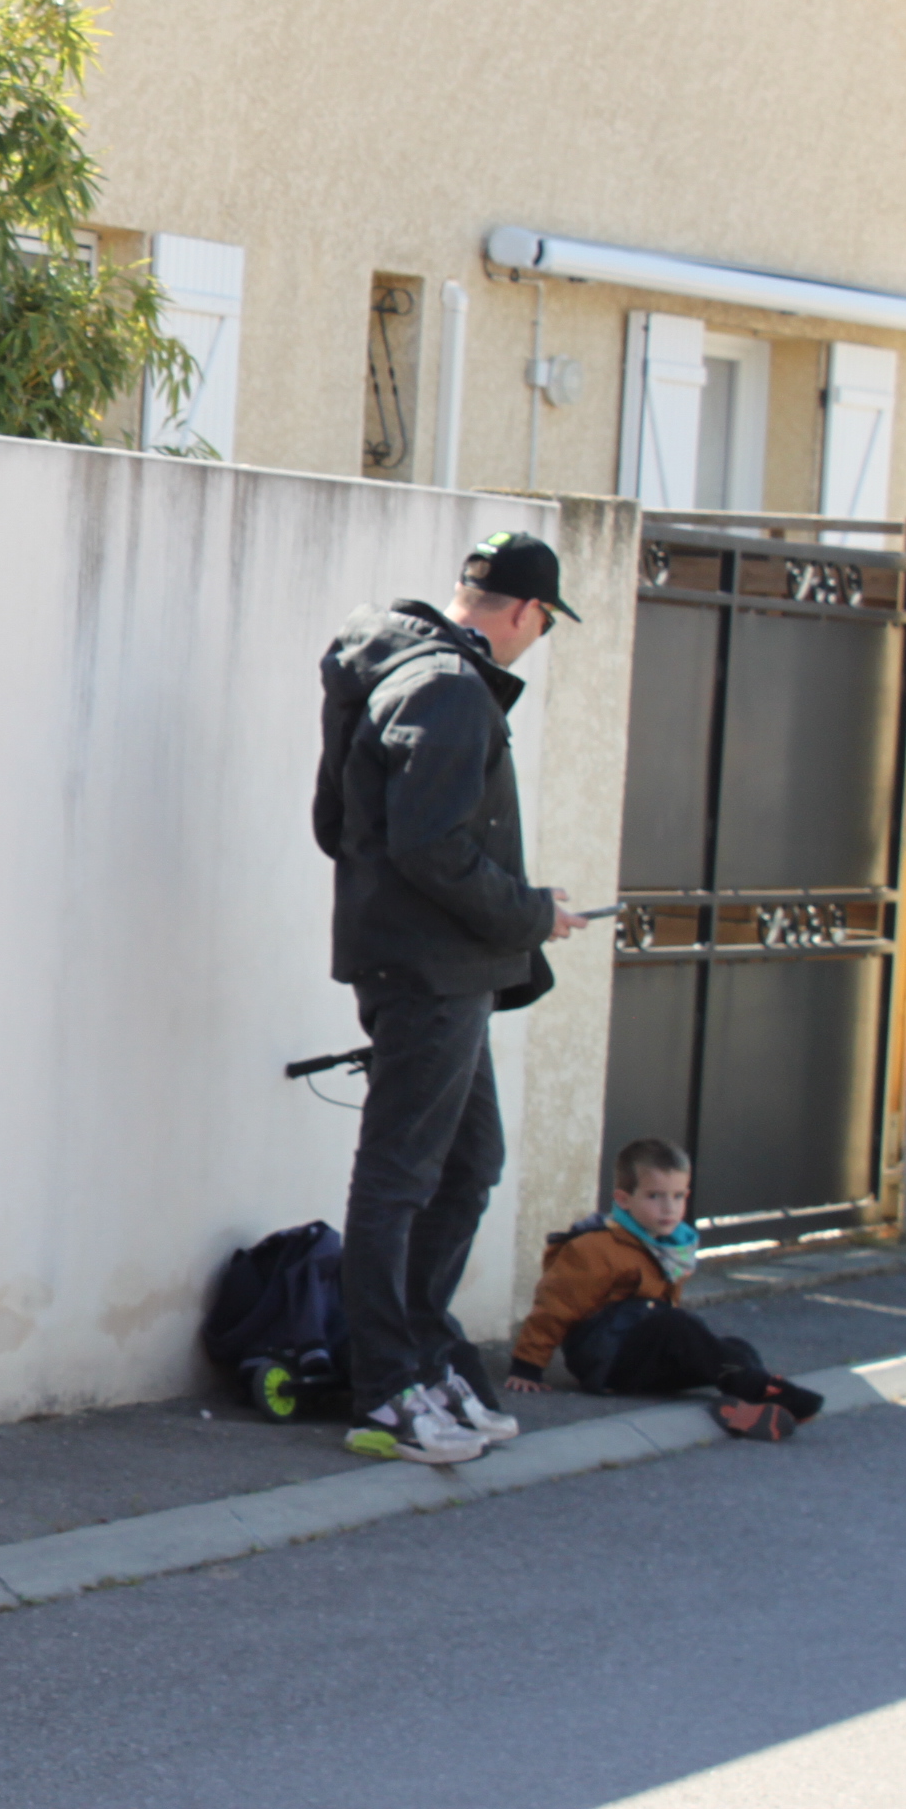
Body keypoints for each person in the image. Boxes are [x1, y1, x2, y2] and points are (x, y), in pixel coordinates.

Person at [313, 530, 587, 1465]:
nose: (539, 638)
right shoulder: (449, 688)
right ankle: (386, 1391)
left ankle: (425, 1360)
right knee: (400, 1178)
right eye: (547, 623)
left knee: (469, 1165)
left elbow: (335, 824)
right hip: (429, 971)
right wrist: (531, 912)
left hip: (441, 968)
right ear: (528, 611)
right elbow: (429, 846)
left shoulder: (399, 671)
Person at [504, 1138, 826, 1440]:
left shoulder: (668, 1246)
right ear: (624, 1200)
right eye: (654, 1196)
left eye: (678, 1196)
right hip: (606, 1363)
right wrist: (527, 1365)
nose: (669, 1208)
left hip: (645, 1357)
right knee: (677, 1325)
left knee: (735, 1348)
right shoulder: (596, 1247)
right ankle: (758, 1388)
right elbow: (556, 1305)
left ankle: (749, 1407)